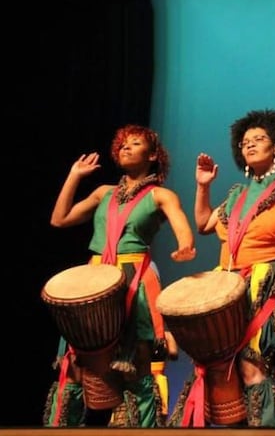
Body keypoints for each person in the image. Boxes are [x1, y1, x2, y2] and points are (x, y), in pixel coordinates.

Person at [168, 109, 275, 428]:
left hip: (265, 285)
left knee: (253, 363)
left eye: (259, 139)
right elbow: (203, 224)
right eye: (245, 142)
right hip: (228, 286)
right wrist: (202, 186)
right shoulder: (235, 195)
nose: (250, 145)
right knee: (221, 372)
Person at [45, 124, 196, 427]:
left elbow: (182, 227)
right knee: (76, 363)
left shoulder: (160, 195)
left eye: (135, 143)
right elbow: (59, 219)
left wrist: (185, 246)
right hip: (95, 277)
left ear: (152, 155)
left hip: (135, 277)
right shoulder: (104, 193)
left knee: (136, 363)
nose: (125, 147)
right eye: (122, 144)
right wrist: (74, 175)